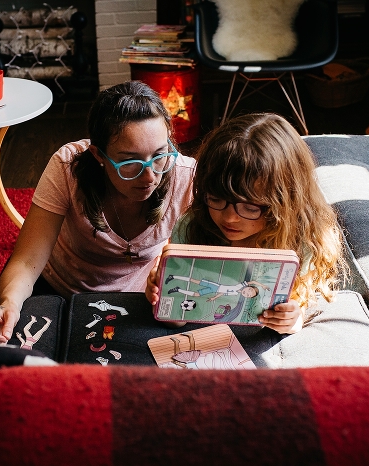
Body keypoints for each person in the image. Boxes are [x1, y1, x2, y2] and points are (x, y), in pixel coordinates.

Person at [0, 81, 196, 343]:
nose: (149, 176)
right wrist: (8, 304)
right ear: (98, 155)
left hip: (138, 299)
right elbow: (26, 260)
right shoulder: (67, 166)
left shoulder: (187, 175)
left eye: (160, 155)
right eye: (129, 162)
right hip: (57, 290)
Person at [145, 112, 346, 334]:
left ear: (284, 203)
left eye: (250, 208)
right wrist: (162, 295)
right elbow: (178, 319)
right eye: (216, 199)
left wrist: (292, 320)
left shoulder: (302, 240)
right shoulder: (192, 227)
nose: (230, 218)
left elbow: (295, 308)